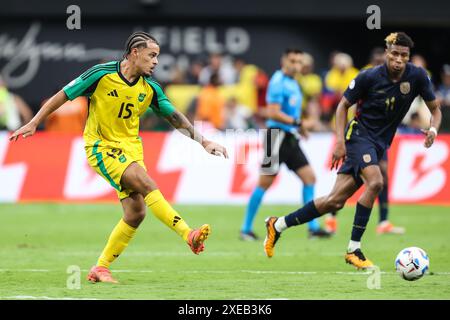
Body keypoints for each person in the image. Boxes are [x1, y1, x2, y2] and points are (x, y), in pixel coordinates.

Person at [9, 31, 228, 283]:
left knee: (136, 212)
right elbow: (63, 94)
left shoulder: (150, 89)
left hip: (132, 149)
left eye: (157, 56)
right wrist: (35, 122)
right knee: (146, 184)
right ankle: (187, 234)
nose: (156, 62)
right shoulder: (101, 75)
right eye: (152, 55)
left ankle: (99, 268)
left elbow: (175, 117)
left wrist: (204, 141)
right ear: (135, 53)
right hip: (101, 147)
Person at [263, 32, 441, 269]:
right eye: (395, 54)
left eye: (404, 56)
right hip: (358, 135)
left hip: (380, 143)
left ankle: (277, 225)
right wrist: (339, 141)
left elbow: (435, 110)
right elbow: (342, 106)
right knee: (376, 182)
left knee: (334, 202)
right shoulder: (369, 76)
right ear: (387, 53)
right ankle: (354, 249)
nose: (399, 59)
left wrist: (433, 129)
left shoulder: (417, 76)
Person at [240, 48, 331, 241]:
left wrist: (300, 129)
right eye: (292, 61)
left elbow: (292, 113)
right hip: (276, 136)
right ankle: (245, 229)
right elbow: (272, 112)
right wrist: (299, 124)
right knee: (265, 183)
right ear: (284, 61)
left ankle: (313, 227)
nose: (296, 65)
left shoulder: (294, 82)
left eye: (299, 61)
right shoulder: (278, 82)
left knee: (310, 178)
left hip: (289, 137)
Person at [325, 47, 406, 235]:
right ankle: (331, 216)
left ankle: (383, 220)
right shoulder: (367, 76)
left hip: (379, 135)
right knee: (348, 178)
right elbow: (339, 100)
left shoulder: (394, 78)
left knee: (381, 175)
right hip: (358, 132)